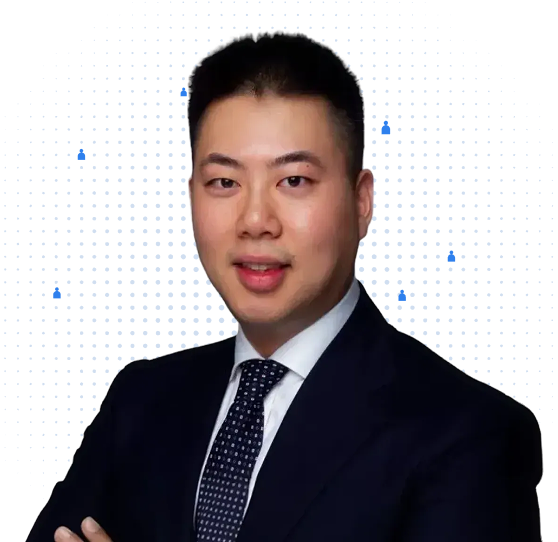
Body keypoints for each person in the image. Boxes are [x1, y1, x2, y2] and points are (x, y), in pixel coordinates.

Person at [26, 31, 543, 542]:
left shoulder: (468, 434)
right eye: (224, 182)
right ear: (191, 197)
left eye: (293, 180)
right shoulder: (139, 402)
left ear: (361, 201)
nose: (255, 220)